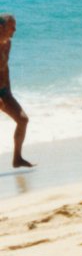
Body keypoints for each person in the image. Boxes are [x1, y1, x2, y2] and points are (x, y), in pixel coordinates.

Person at [0, 14, 32, 168]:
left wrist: (8, 93)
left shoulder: (7, 44)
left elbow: (4, 69)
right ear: (1, 27)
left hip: (4, 92)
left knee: (22, 119)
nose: (15, 30)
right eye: (12, 26)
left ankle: (17, 158)